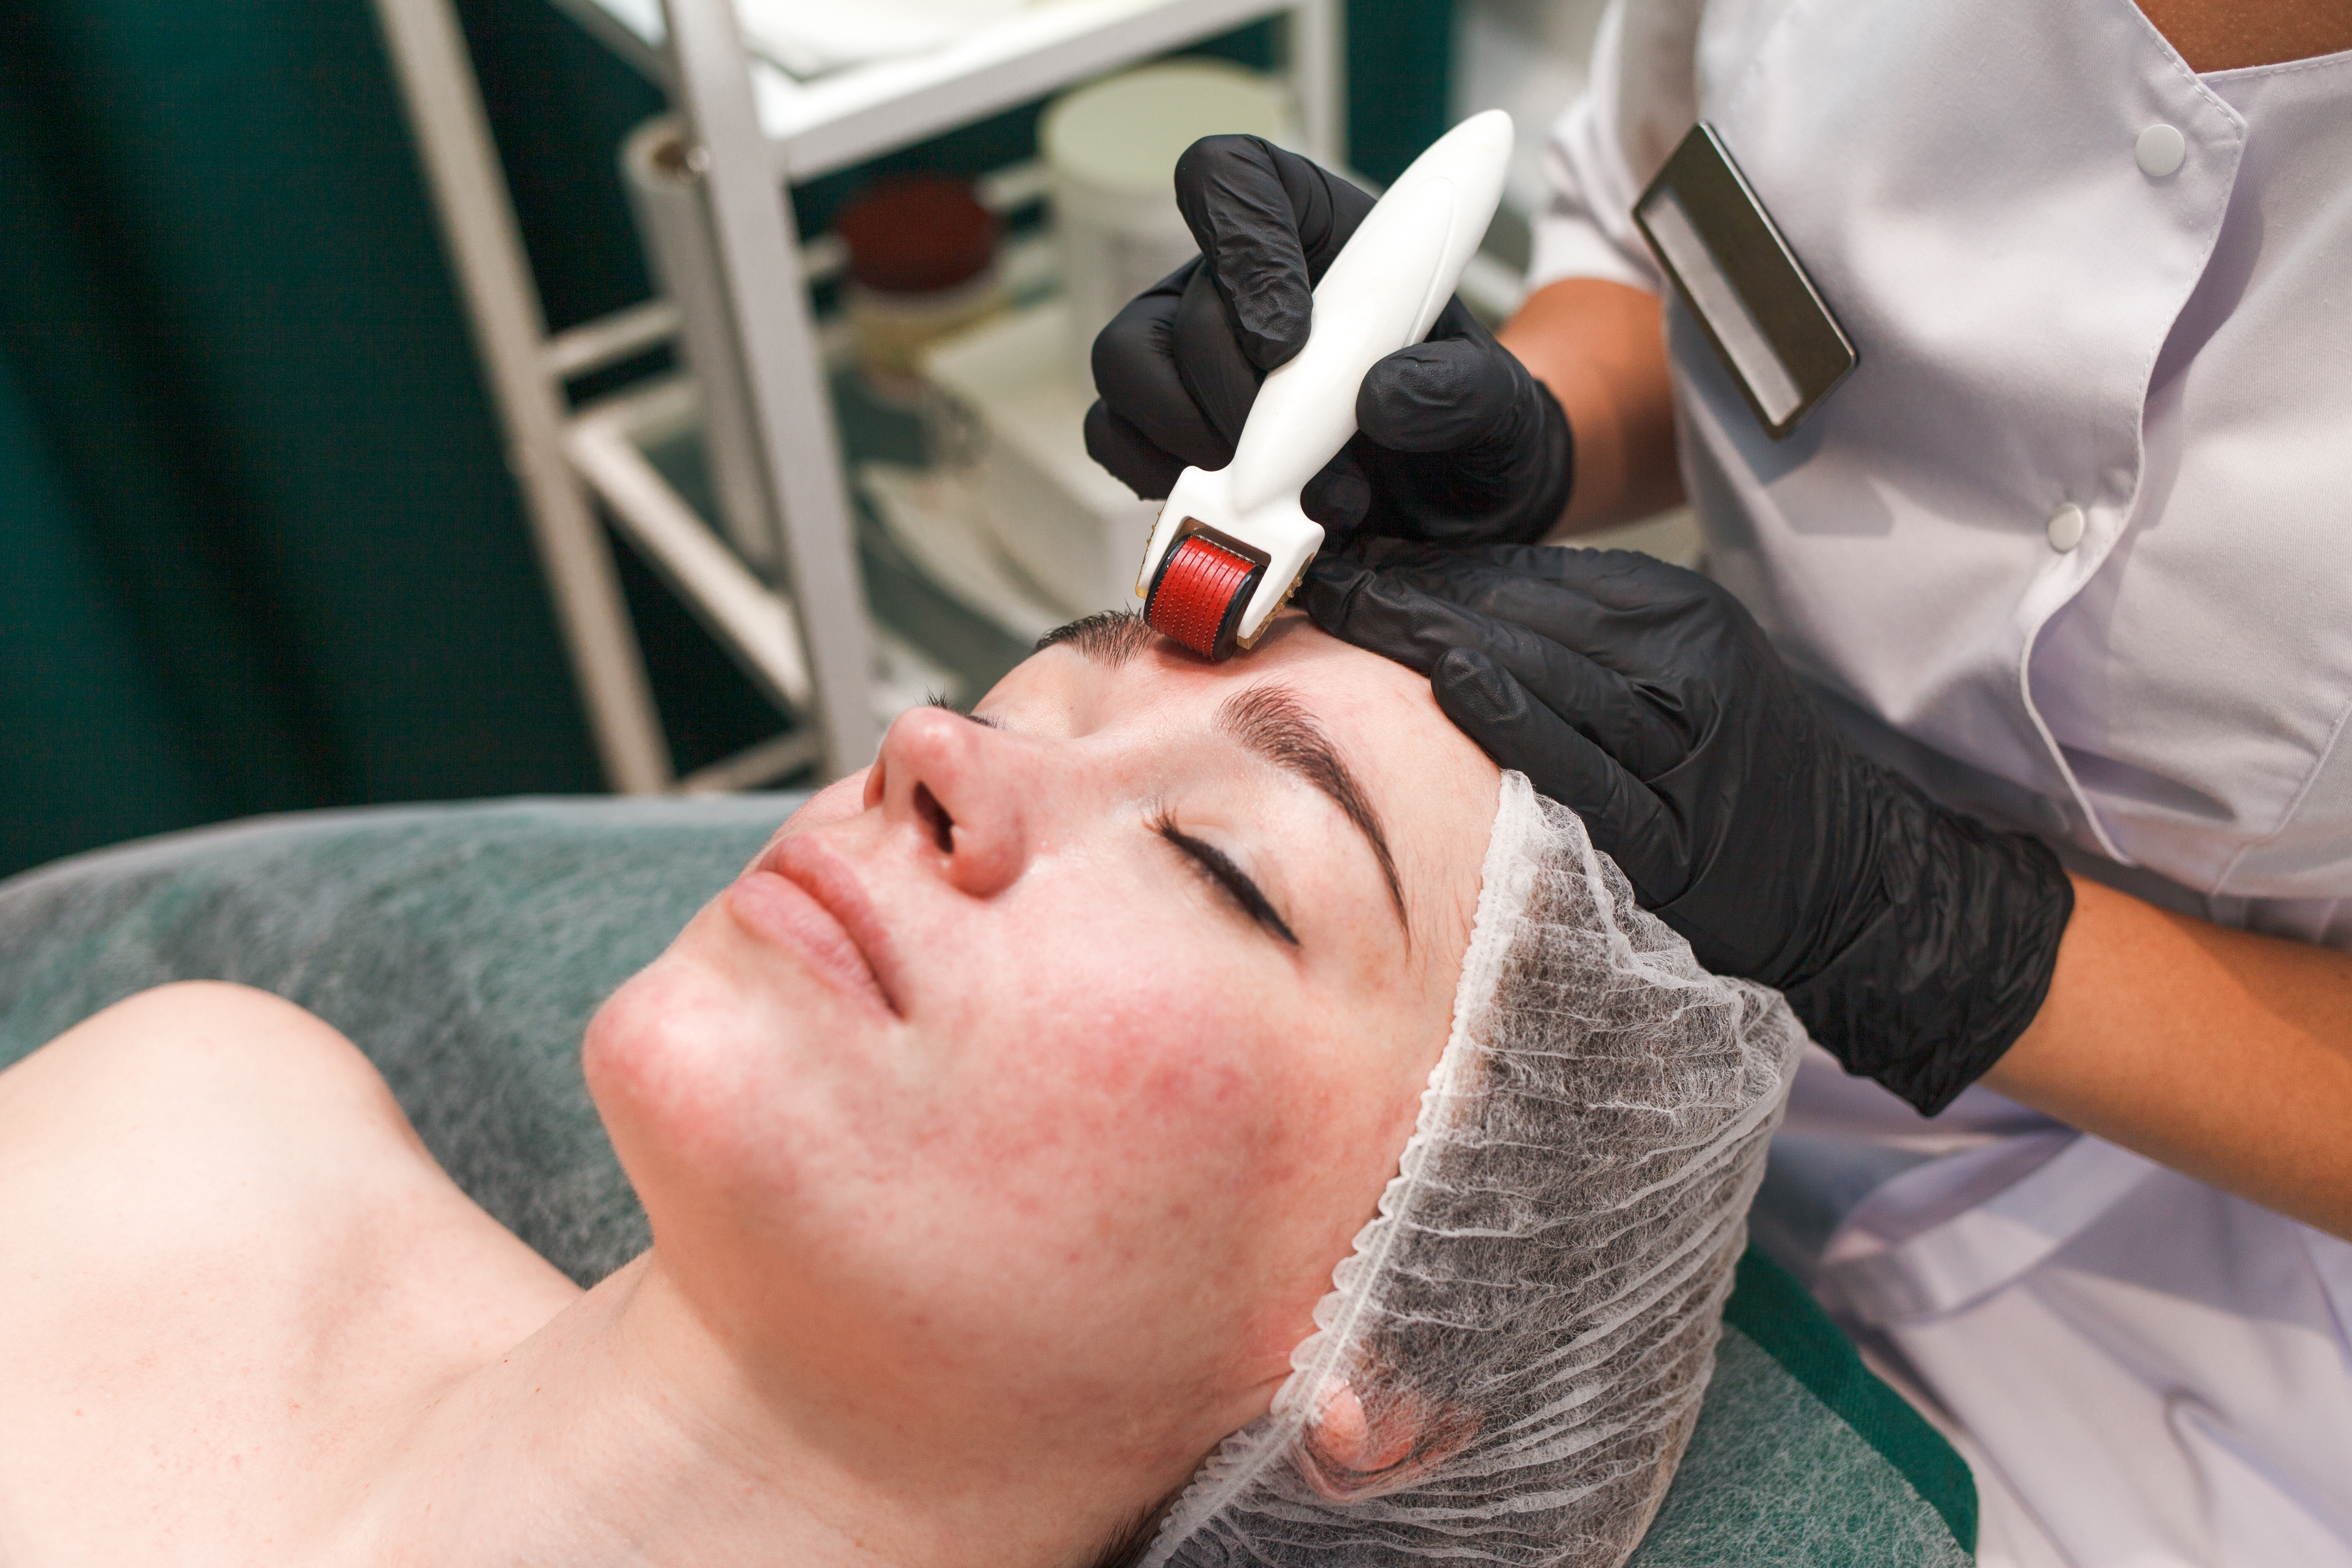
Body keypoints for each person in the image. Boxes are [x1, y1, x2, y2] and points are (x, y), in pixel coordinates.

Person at [1083, 2, 2352, 1562]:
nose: (920, 755)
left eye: (1231, 870)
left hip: (2216, 1232)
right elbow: (1695, 263)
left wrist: (1930, 929)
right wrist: (1527, 433)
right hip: (1684, 946)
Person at [0, 612, 1799, 1568]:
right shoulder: (206, 1117)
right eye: (1015, 707)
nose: (932, 755)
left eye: (1219, 863)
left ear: (1383, 1373)